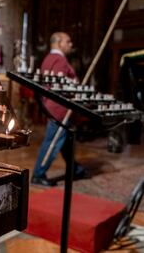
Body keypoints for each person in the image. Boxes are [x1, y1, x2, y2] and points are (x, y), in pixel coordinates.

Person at [31, 32, 86, 186]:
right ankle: (38, 175)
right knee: (53, 142)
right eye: (68, 41)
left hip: (54, 106)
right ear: (59, 43)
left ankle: (76, 169)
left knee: (65, 141)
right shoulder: (60, 60)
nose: (71, 44)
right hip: (60, 108)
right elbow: (59, 86)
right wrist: (75, 86)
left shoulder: (48, 59)